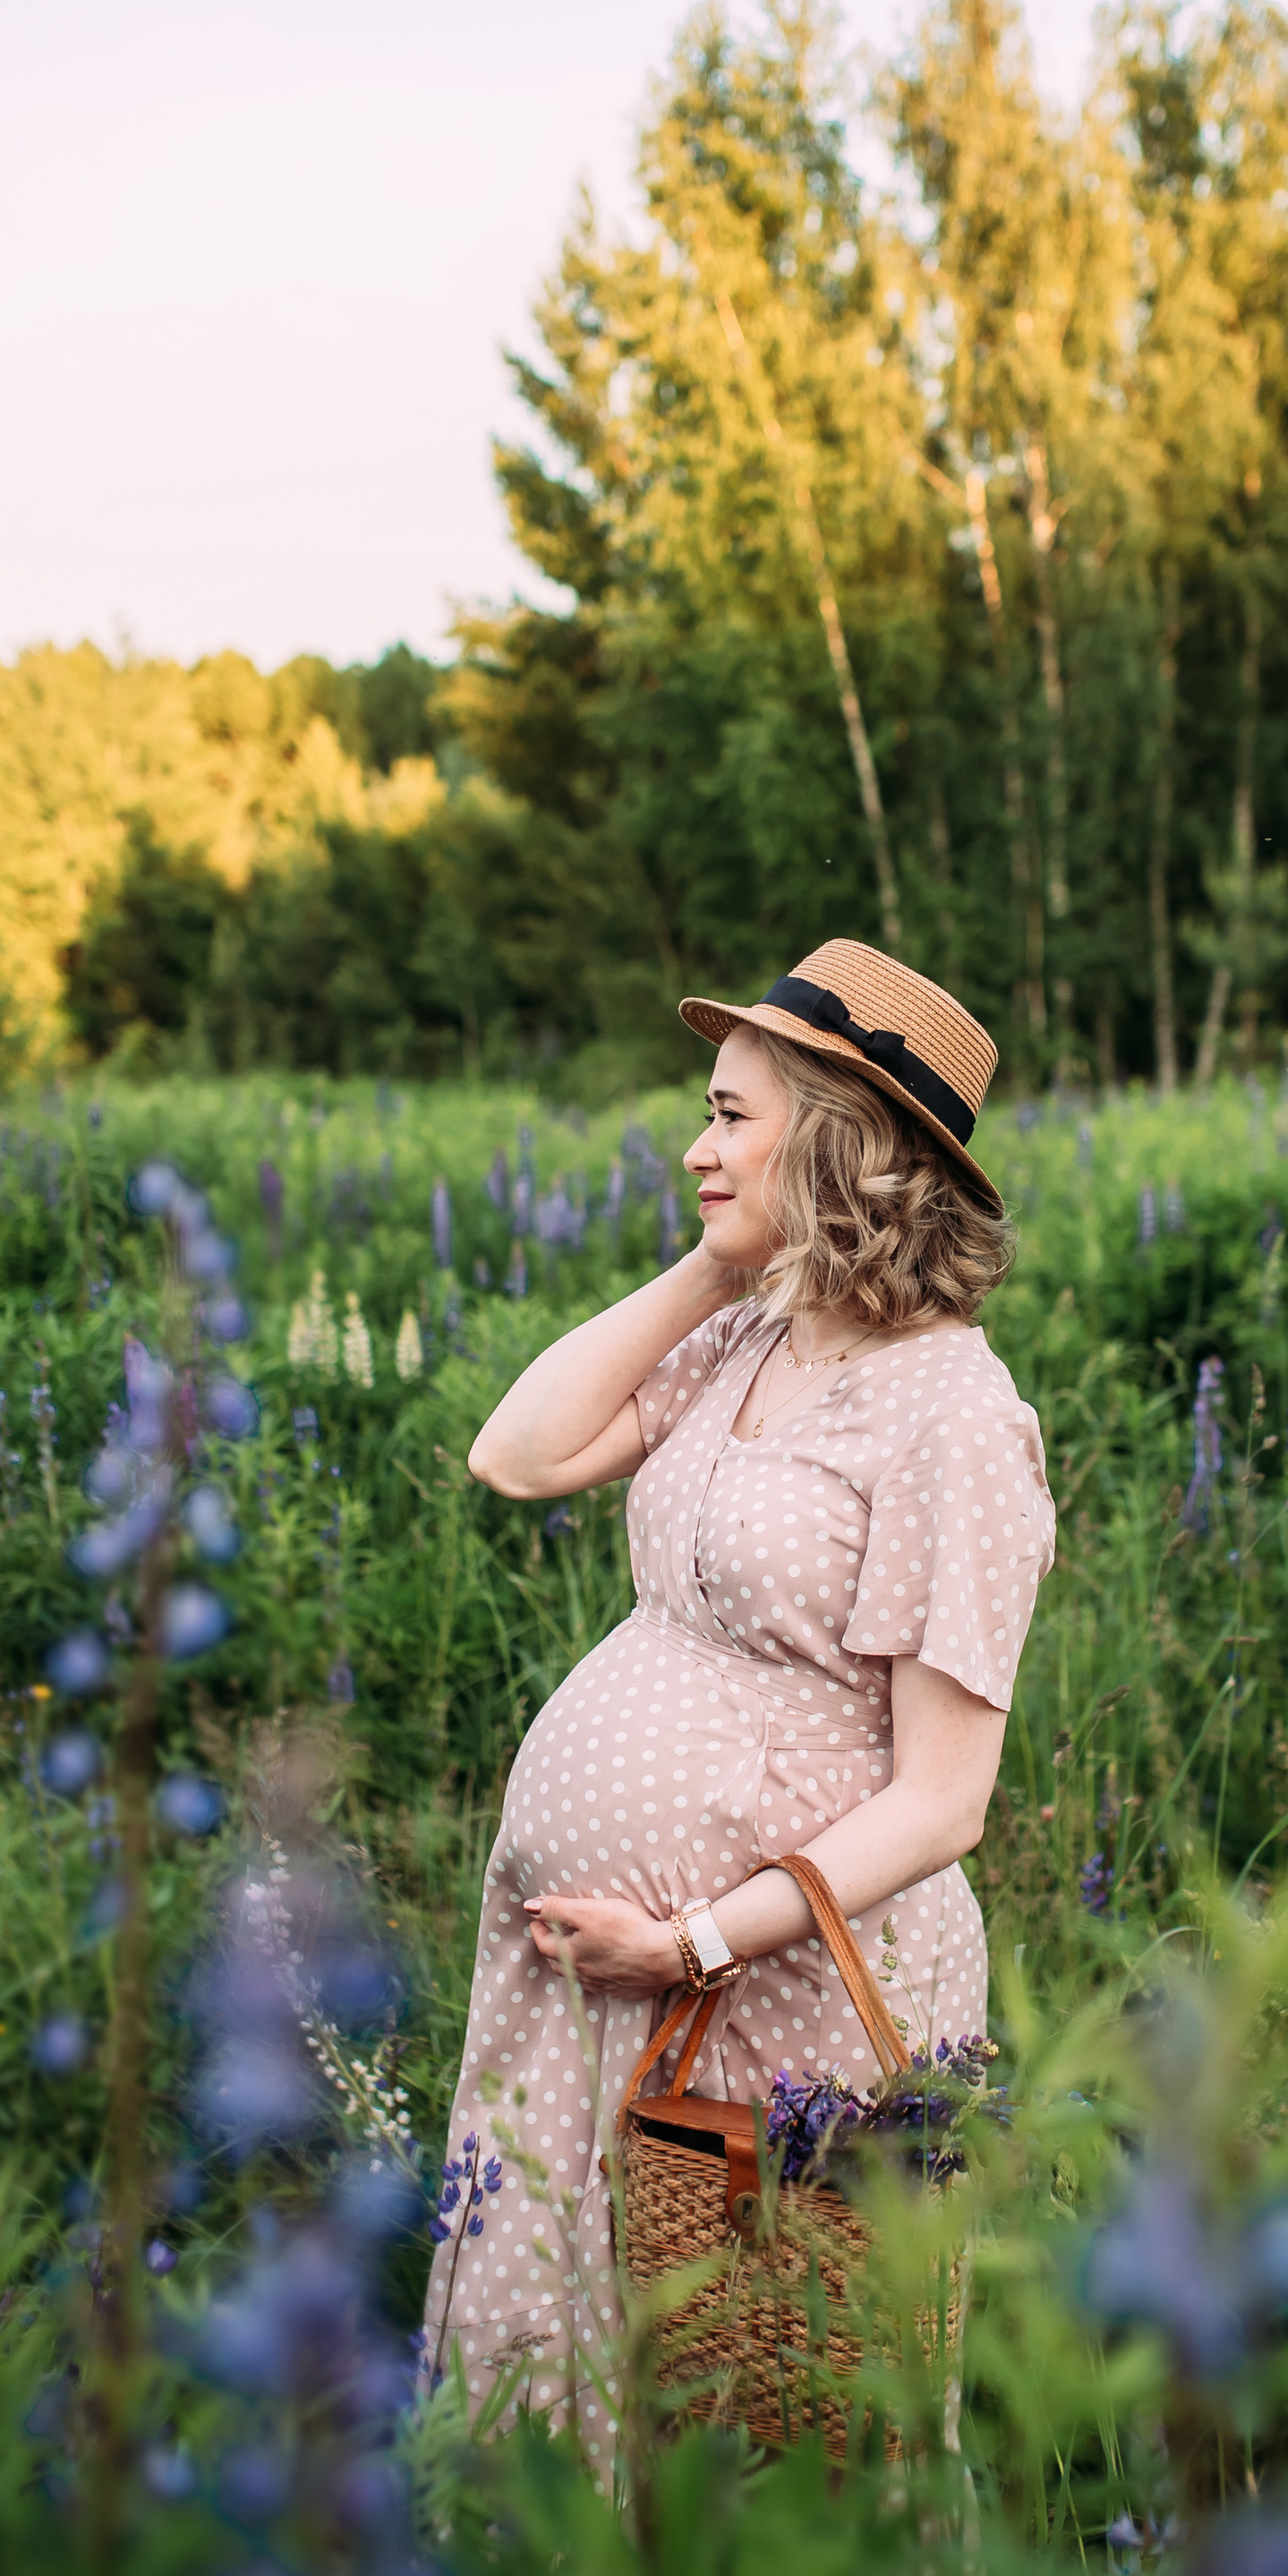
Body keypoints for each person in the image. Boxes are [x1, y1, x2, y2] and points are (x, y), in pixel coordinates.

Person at [422, 939, 1058, 2440]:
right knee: (558, 2375)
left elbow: (945, 1799)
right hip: (599, 1985)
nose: (694, 1148)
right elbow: (516, 1456)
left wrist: (693, 1940)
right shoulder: (743, 1335)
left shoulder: (956, 1415)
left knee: (758, 2425)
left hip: (779, 2013)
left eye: (729, 1117)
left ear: (841, 1142)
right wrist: (718, 1258)